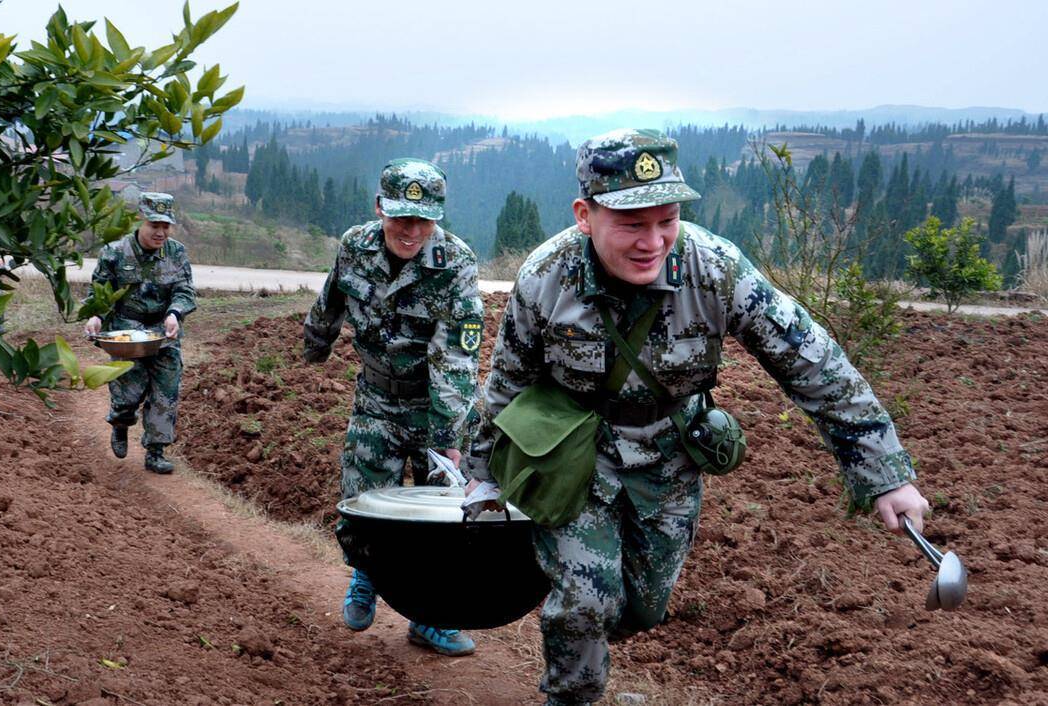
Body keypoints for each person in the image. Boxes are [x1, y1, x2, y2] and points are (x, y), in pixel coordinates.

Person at [461, 129, 930, 705]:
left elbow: (815, 366)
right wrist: (481, 475)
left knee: (643, 607)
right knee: (586, 601)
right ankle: (571, 691)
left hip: (669, 457)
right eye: (632, 224)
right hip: (572, 452)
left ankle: (582, 623)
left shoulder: (716, 269)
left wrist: (884, 474)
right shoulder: (545, 277)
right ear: (585, 216)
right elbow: (507, 382)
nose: (652, 241)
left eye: (667, 220)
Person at [303, 158, 484, 657]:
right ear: (380, 207)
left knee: (441, 518)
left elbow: (456, 358)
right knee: (363, 501)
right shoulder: (355, 246)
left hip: (435, 406)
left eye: (423, 220)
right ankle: (366, 576)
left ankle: (431, 618)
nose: (411, 231)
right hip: (377, 400)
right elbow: (332, 298)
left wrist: (447, 439)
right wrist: (315, 344)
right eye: (402, 217)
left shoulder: (456, 264)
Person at [83, 192, 196, 474]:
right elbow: (100, 293)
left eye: (166, 226)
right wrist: (96, 316)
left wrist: (175, 313)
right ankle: (121, 422)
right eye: (154, 225)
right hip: (126, 333)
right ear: (140, 220)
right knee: (128, 394)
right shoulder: (114, 252)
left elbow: (184, 291)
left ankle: (156, 452)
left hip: (163, 333)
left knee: (165, 392)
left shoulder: (176, 253)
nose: (161, 233)